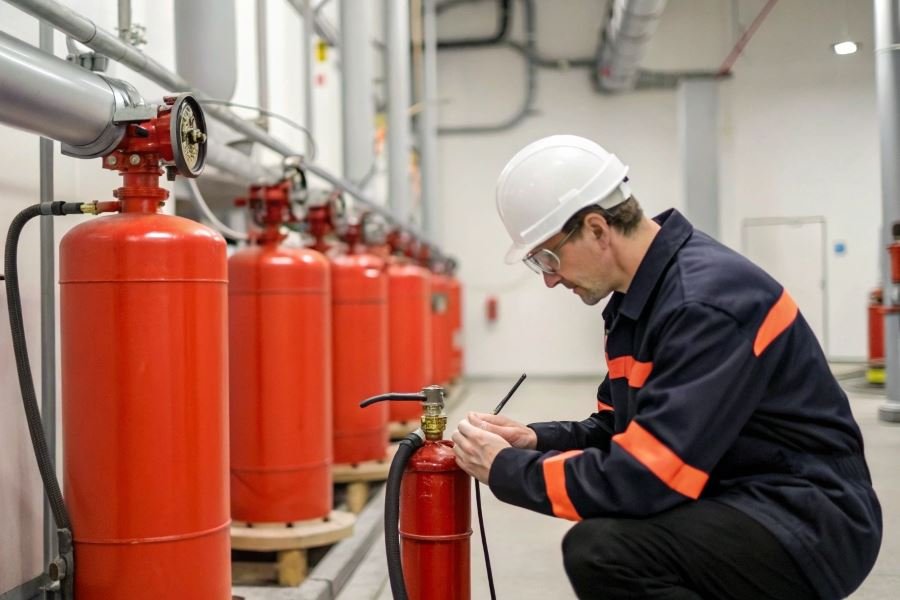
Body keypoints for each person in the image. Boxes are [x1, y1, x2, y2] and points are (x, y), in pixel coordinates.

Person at [451, 135, 882, 600]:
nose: (551, 279)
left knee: (604, 550)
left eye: (547, 258)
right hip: (739, 492)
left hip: (809, 518)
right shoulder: (638, 306)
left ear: (597, 229)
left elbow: (644, 479)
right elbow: (618, 430)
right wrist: (534, 440)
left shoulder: (705, 305)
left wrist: (508, 469)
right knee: (611, 534)